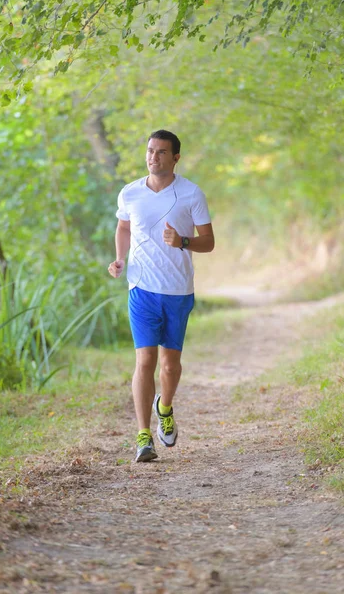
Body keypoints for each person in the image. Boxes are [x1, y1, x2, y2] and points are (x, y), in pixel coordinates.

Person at [108, 129, 214, 462]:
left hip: (178, 290)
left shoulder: (191, 194)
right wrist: (121, 258)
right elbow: (124, 227)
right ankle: (143, 436)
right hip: (141, 288)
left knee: (169, 366)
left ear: (176, 158)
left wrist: (182, 241)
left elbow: (208, 242)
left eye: (162, 152)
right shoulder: (130, 193)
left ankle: (164, 409)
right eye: (150, 151)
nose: (154, 157)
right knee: (145, 360)